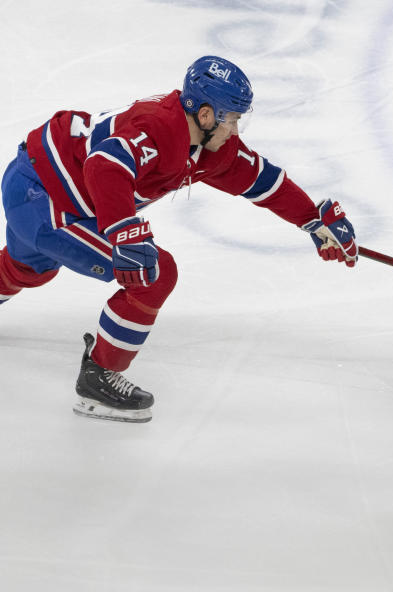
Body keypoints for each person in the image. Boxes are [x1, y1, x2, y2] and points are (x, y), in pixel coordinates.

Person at [0, 55, 358, 423]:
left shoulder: (209, 146)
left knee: (27, 268)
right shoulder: (156, 128)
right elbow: (104, 165)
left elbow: (262, 179)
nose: (235, 131)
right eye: (232, 119)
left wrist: (313, 220)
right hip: (42, 199)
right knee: (153, 273)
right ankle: (98, 377)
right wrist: (123, 230)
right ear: (205, 115)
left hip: (39, 186)